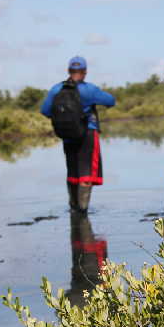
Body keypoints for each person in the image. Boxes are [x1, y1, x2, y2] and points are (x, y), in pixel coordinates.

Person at [41, 56, 115, 214]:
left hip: (67, 136)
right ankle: (83, 212)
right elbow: (111, 101)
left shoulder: (56, 89)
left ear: (68, 71)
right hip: (87, 133)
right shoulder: (89, 90)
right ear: (85, 72)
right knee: (86, 174)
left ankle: (73, 209)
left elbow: (45, 110)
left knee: (73, 173)